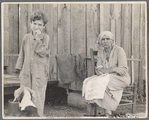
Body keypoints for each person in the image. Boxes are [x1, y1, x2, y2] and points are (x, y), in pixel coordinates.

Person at [82, 31, 130, 116]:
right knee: (88, 81)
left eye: (108, 39)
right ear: (100, 42)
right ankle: (91, 113)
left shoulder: (119, 50)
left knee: (102, 83)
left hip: (120, 79)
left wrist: (107, 71)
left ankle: (107, 112)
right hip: (105, 77)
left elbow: (122, 70)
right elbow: (99, 70)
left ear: (112, 41)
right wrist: (114, 69)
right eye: (103, 39)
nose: (105, 41)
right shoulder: (101, 52)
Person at [15, 10, 50, 117]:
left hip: (39, 72)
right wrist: (18, 67)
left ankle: (38, 116)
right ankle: (26, 116)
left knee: (38, 96)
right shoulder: (26, 37)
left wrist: (38, 39)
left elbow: (43, 52)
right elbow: (22, 53)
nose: (36, 27)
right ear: (30, 24)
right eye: (34, 24)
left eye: (40, 25)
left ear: (43, 27)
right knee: (25, 95)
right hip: (26, 71)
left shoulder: (45, 38)